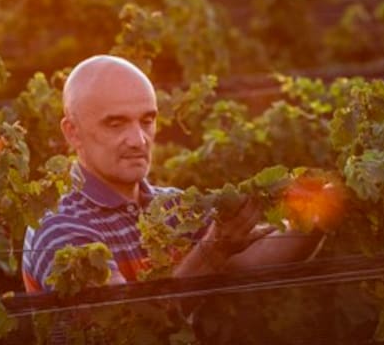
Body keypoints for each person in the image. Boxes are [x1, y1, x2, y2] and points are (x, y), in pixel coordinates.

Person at [22, 54, 323, 293]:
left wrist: (316, 214)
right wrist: (211, 253)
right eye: (116, 124)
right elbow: (126, 331)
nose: (139, 140)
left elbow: (252, 261)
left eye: (147, 121)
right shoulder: (59, 225)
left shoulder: (173, 208)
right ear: (72, 132)